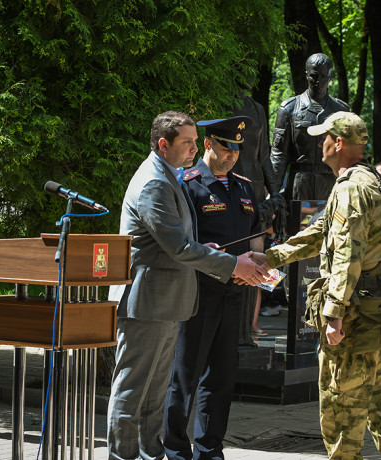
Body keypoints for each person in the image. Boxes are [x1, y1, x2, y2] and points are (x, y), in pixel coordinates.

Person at [254, 112, 381, 459]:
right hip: (378, 311)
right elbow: (322, 233)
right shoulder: (371, 181)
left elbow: (347, 255)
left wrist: (334, 315)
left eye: (324, 138)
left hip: (355, 317)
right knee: (376, 397)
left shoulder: (351, 188)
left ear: (339, 143)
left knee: (340, 406)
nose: (320, 144)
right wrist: (272, 258)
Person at [106, 111, 268, 460]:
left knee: (155, 393)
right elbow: (177, 247)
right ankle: (124, 457)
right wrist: (231, 263)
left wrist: (212, 249)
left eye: (196, 141)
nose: (195, 148)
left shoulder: (167, 176)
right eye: (188, 143)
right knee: (133, 390)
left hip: (168, 299)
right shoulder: (155, 181)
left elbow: (182, 239)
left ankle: (153, 454)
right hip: (146, 300)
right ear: (164, 145)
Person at [163, 116, 262, 459]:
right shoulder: (187, 184)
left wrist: (258, 260)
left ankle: (210, 450)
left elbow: (256, 234)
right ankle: (175, 450)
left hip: (235, 292)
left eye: (236, 147)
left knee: (221, 378)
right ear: (208, 144)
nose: (232, 154)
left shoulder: (244, 187)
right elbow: (182, 243)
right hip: (198, 294)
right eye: (225, 146)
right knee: (184, 376)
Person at [231, 93, 279, 343]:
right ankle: (234, 333)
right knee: (236, 258)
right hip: (232, 187)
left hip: (257, 190)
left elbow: (265, 156)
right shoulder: (222, 101)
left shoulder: (257, 107)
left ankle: (248, 330)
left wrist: (275, 193)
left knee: (256, 260)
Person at [271, 53, 350, 202]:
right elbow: (279, 155)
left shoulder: (341, 111)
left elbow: (348, 154)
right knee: (297, 225)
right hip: (299, 183)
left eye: (323, 76)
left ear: (330, 77)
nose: (318, 81)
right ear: (307, 75)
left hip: (331, 183)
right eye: (314, 76)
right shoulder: (289, 109)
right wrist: (273, 192)